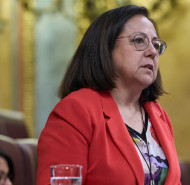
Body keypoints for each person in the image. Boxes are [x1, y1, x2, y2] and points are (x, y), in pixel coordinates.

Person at [36, 5, 181, 185]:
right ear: (105, 48)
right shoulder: (76, 111)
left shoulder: (158, 116)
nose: (152, 52)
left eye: (156, 44)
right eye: (139, 41)